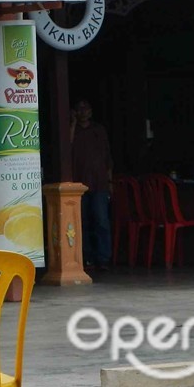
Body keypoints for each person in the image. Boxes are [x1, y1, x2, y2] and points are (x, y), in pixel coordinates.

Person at [71, 98, 112, 271]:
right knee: (82, 222)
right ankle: (85, 257)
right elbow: (67, 147)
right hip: (79, 183)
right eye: (79, 109)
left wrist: (110, 181)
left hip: (99, 182)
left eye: (85, 108)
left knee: (101, 221)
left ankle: (103, 258)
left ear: (91, 111)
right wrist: (72, 123)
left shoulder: (98, 130)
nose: (82, 112)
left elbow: (108, 157)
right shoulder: (74, 131)